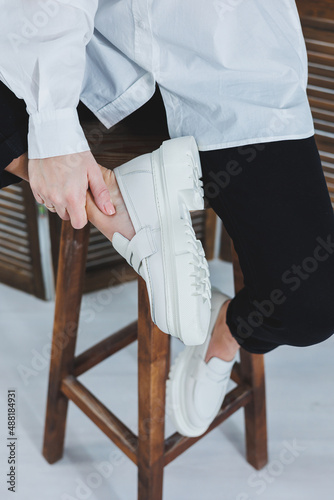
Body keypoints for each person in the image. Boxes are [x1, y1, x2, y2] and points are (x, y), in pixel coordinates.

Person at [1, 0, 334, 439]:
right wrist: (53, 122)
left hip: (228, 62)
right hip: (96, 51)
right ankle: (124, 218)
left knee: (311, 303)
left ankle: (222, 333)